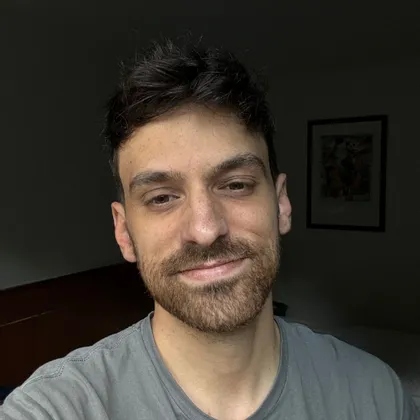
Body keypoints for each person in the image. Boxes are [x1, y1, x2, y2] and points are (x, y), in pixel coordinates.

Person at [1, 39, 418, 420]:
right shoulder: (55, 409)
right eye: (162, 198)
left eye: (235, 185)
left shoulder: (377, 395)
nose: (205, 230)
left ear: (281, 205)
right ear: (124, 232)